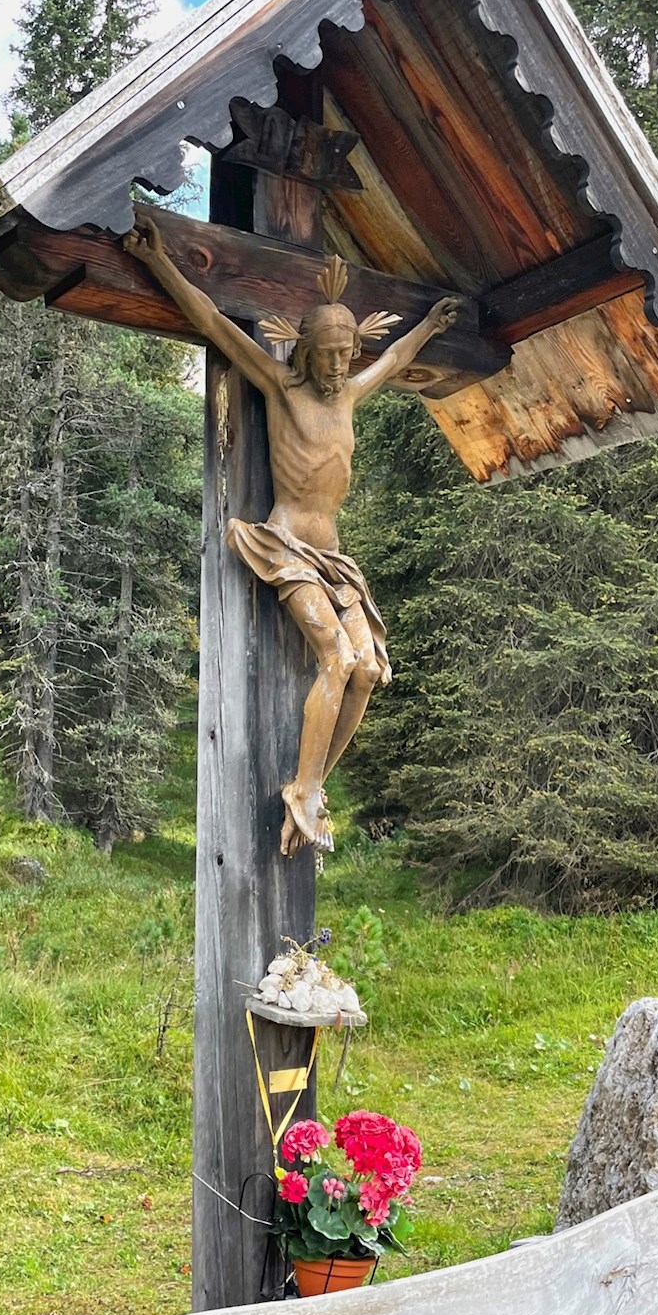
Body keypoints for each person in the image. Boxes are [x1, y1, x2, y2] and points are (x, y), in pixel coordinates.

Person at [123, 211, 459, 855]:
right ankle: (302, 790)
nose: (336, 366)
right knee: (338, 658)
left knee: (368, 670)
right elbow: (214, 323)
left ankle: (310, 786)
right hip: (288, 547)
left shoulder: (350, 393)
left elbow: (394, 357)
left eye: (344, 355)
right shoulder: (282, 385)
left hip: (334, 558)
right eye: (326, 355)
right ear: (304, 351)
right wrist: (158, 261)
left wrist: (430, 327)